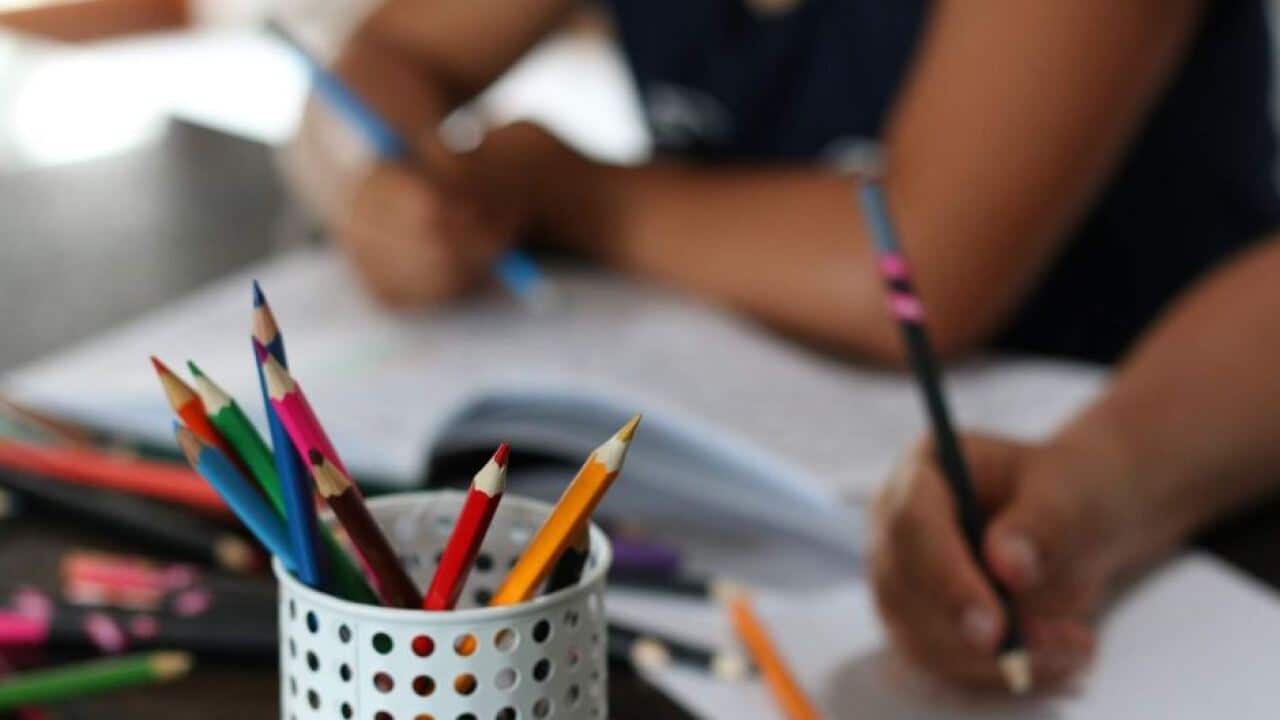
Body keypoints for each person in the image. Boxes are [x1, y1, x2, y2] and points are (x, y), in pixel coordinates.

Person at [280, 0, 1280, 690]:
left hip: (1168, 472)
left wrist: (564, 190)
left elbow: (920, 274)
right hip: (767, 493)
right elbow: (366, 68)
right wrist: (372, 184)